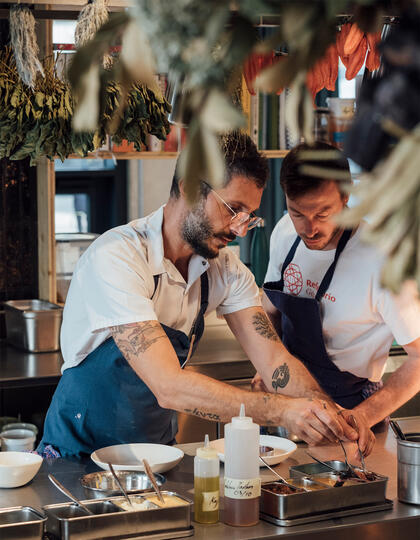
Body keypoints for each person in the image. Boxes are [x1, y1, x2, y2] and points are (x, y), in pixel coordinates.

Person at [38, 133, 370, 459]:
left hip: (155, 458)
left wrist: (327, 412)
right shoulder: (118, 256)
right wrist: (283, 412)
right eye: (233, 209)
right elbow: (168, 386)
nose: (240, 229)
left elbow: (274, 362)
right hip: (76, 459)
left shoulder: (224, 270)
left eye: (248, 217)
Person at [260, 141, 420, 432]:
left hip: (350, 410)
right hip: (286, 402)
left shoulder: (382, 259)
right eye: (297, 213)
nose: (309, 229)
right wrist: (267, 364)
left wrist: (362, 416)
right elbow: (269, 312)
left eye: (322, 214)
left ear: (346, 197)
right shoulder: (284, 232)